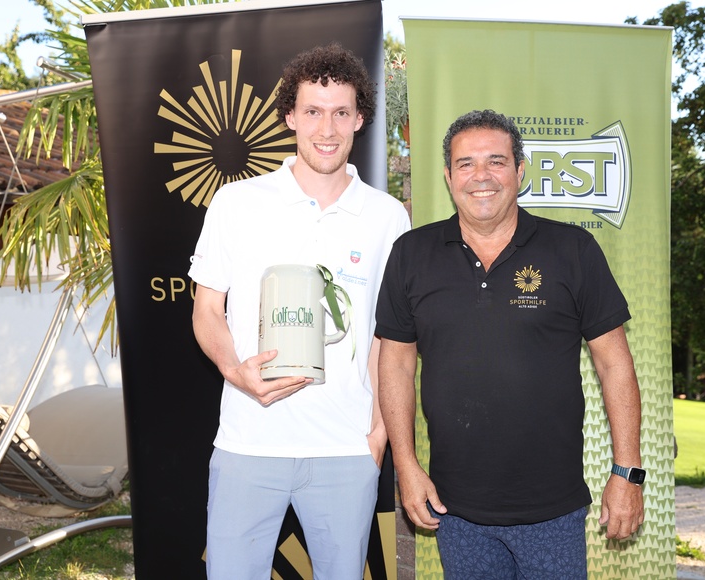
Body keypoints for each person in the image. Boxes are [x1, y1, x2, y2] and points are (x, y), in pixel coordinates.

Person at [376, 109, 644, 579]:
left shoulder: (573, 250)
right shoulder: (411, 254)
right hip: (454, 508)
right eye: (466, 164)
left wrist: (627, 473)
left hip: (552, 510)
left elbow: (614, 365)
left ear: (520, 171)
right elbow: (395, 364)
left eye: (496, 162)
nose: (481, 176)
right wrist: (406, 465)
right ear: (448, 176)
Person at [189, 43, 411, 579]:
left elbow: (389, 338)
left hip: (346, 452)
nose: (326, 129)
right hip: (248, 444)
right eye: (313, 111)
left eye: (340, 112)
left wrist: (376, 438)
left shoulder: (387, 217)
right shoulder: (237, 203)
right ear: (290, 116)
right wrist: (233, 369)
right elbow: (207, 309)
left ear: (360, 118)